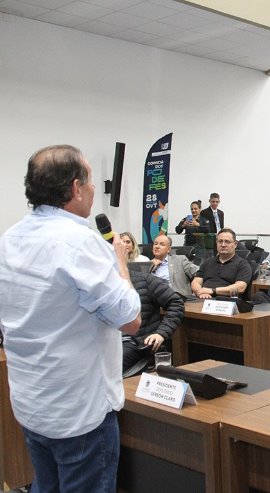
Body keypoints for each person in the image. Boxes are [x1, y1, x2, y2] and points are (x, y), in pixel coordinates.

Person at [0, 145, 141, 492]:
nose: (94, 190)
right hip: (80, 411)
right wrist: (119, 261)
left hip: (33, 402)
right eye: (90, 182)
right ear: (76, 188)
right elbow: (130, 319)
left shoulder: (9, 239)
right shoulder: (81, 242)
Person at [122, 271, 184, 374]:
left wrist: (161, 332)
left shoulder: (144, 280)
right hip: (104, 340)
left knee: (105, 366)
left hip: (135, 342)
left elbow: (176, 303)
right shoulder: (98, 282)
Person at [191, 228, 252, 298]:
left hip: (225, 302)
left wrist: (212, 290)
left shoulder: (242, 264)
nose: (223, 245)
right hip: (202, 298)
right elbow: (196, 282)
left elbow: (240, 287)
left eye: (227, 242)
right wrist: (200, 292)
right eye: (220, 241)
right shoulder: (207, 262)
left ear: (235, 244)